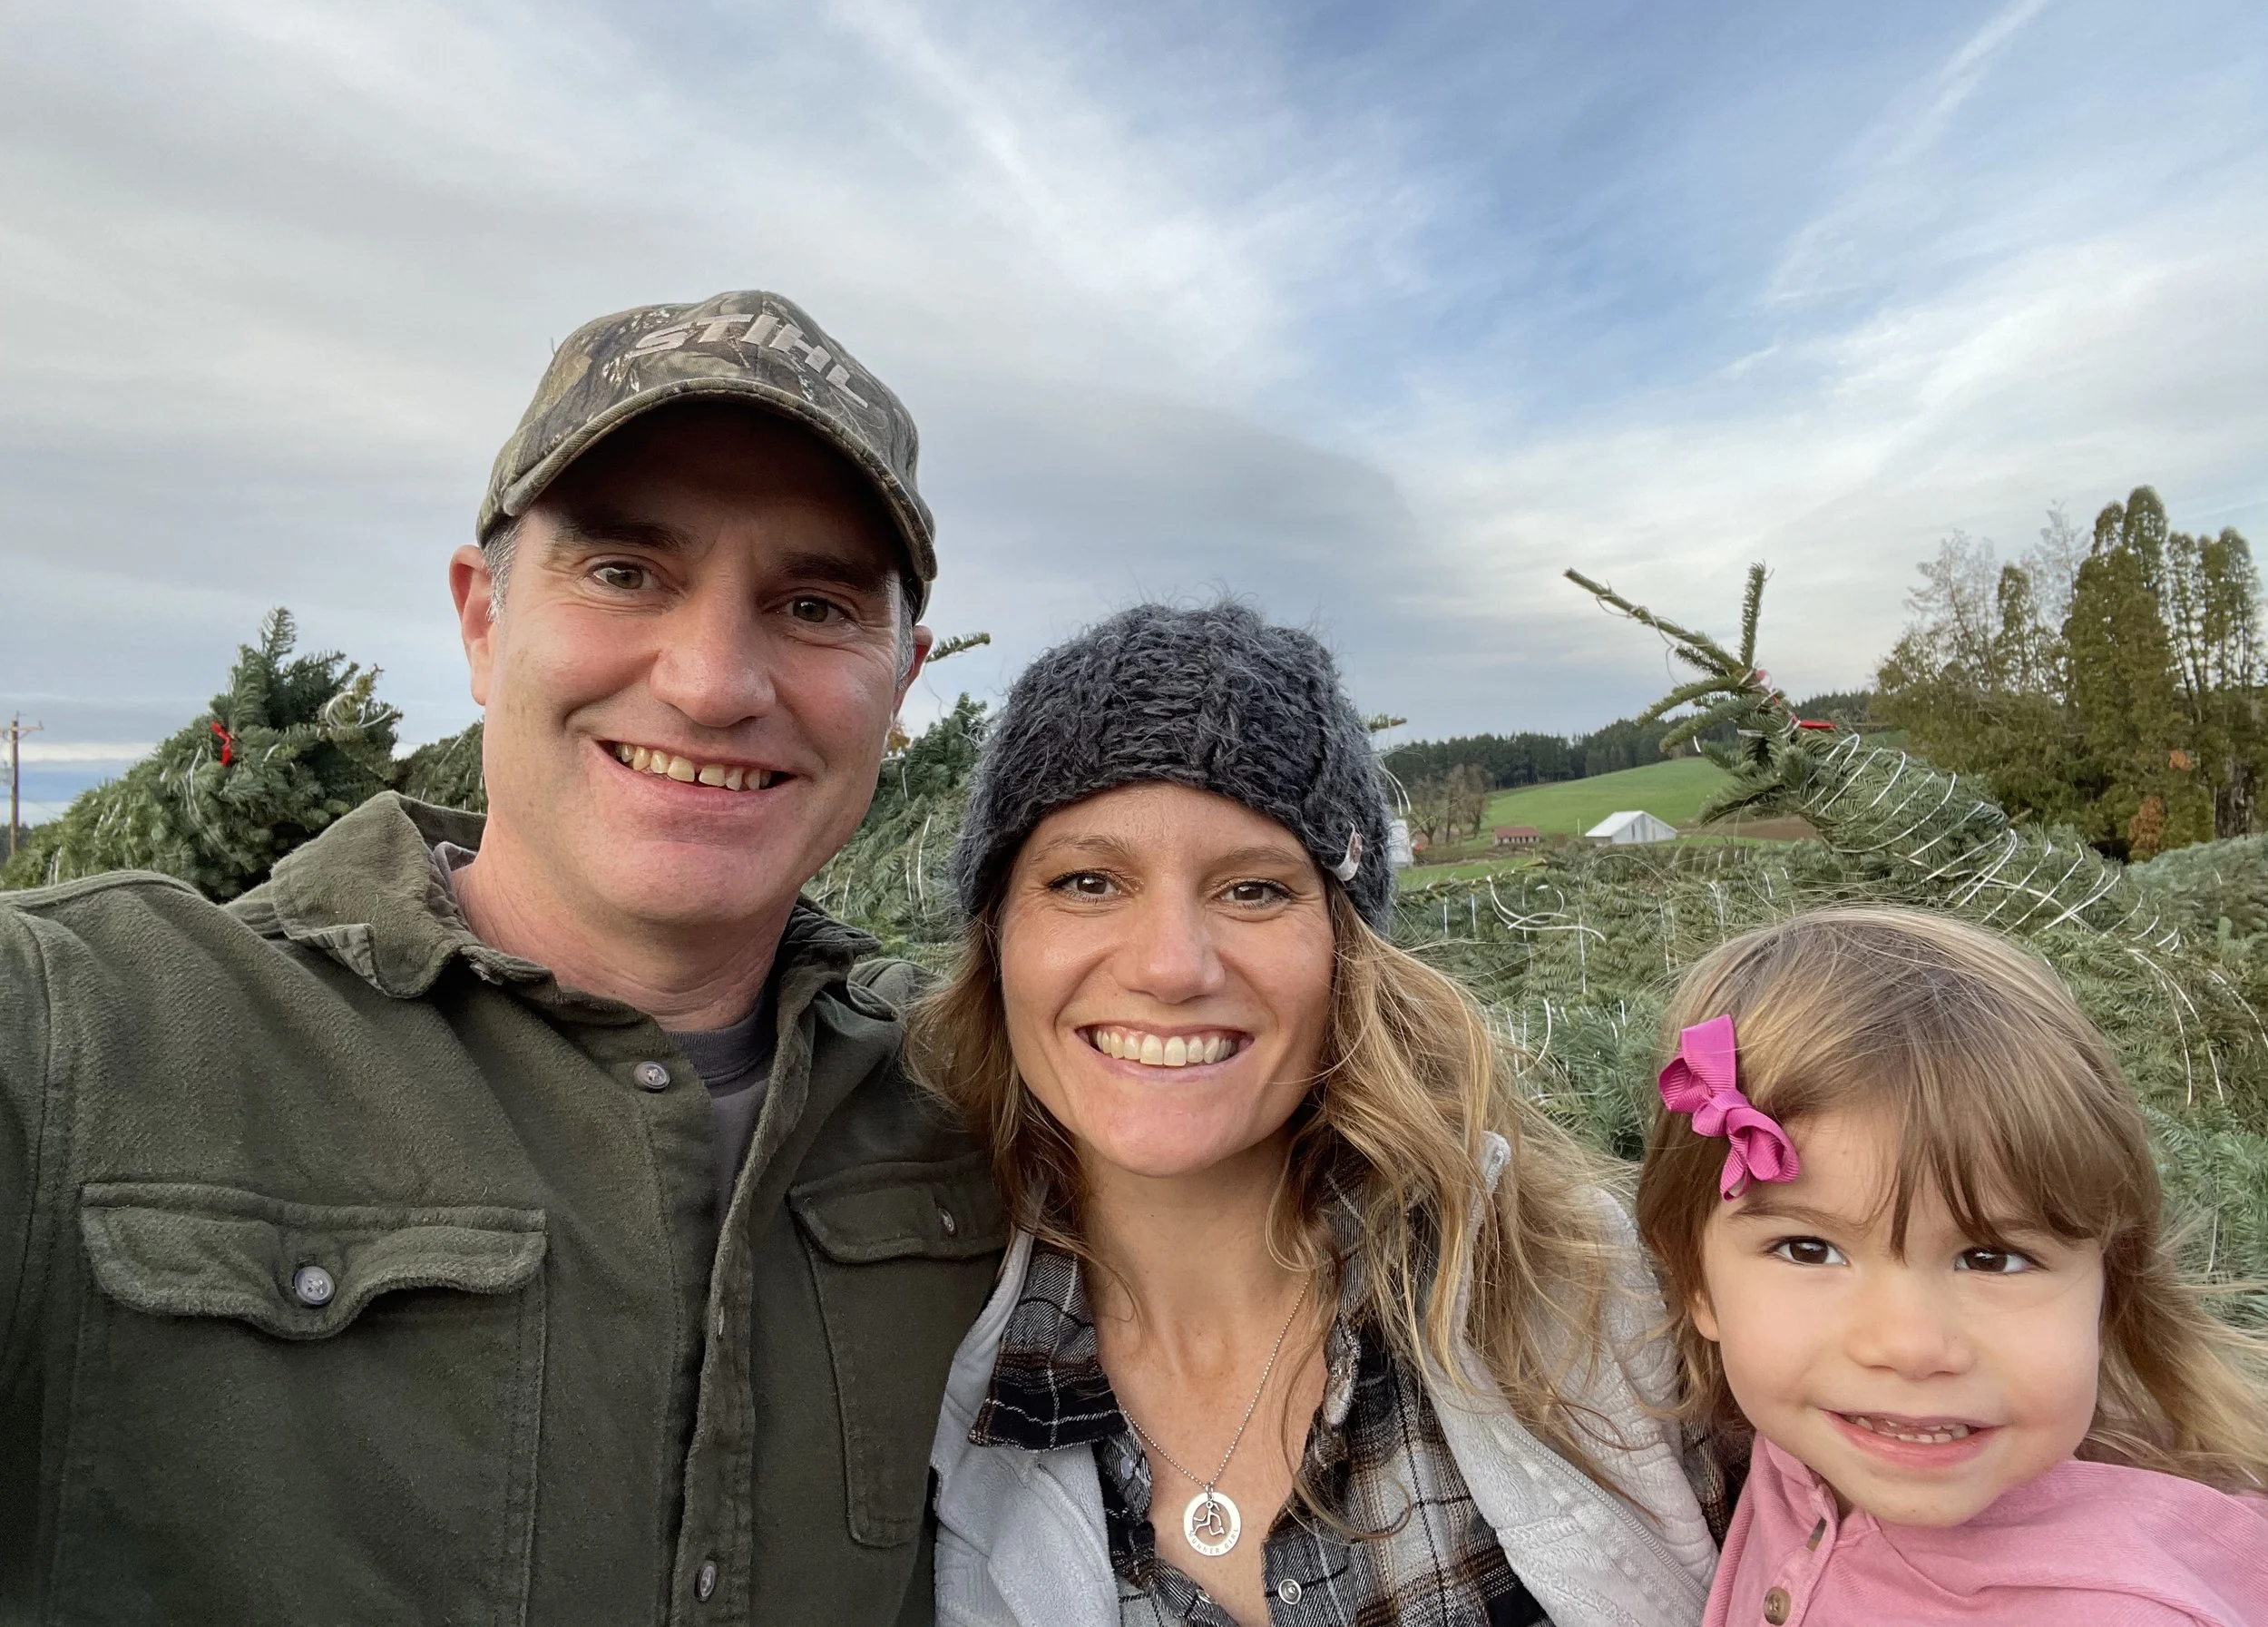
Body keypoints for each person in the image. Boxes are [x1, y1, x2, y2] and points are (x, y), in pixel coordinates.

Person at [0, 291, 1006, 1625]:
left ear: (900, 676)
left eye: (814, 604)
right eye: (626, 571)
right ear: (483, 620)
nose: (712, 681)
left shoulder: (985, 1114)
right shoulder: (87, 1033)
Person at [912, 602, 1718, 1627]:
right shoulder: (912, 1363)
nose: (1170, 966)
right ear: (997, 937)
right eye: (1085, 881)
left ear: (1346, 951)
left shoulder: (1571, 1299)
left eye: (1253, 889)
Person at [1635, 906, 2268, 1626]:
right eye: (1809, 1249)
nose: (1909, 1346)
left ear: (2107, 1288)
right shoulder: (1803, 1448)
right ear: (1696, 1276)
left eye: (1991, 1258)